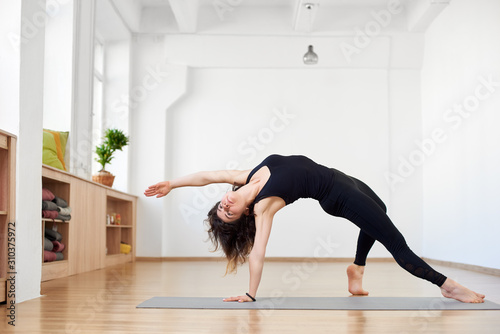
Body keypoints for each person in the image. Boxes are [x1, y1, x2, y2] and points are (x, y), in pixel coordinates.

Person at [145, 154, 485, 304]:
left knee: (380, 210)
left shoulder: (245, 177)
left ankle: (356, 268)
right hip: (337, 196)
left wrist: (172, 184)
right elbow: (258, 253)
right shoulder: (264, 206)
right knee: (397, 244)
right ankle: (447, 286)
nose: (226, 206)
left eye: (222, 205)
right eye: (229, 214)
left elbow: (206, 175)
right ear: (245, 214)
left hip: (342, 177)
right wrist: (250, 294)